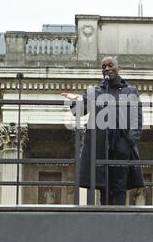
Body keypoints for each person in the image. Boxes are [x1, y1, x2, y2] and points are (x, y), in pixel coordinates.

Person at [62, 56, 144, 205]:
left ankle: (118, 220)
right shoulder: (95, 92)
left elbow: (137, 119)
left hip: (121, 144)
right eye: (103, 66)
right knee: (103, 185)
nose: (107, 68)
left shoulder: (130, 90)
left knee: (119, 185)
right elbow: (79, 112)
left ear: (118, 68)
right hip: (101, 145)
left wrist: (129, 141)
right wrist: (74, 101)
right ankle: (105, 219)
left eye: (110, 65)